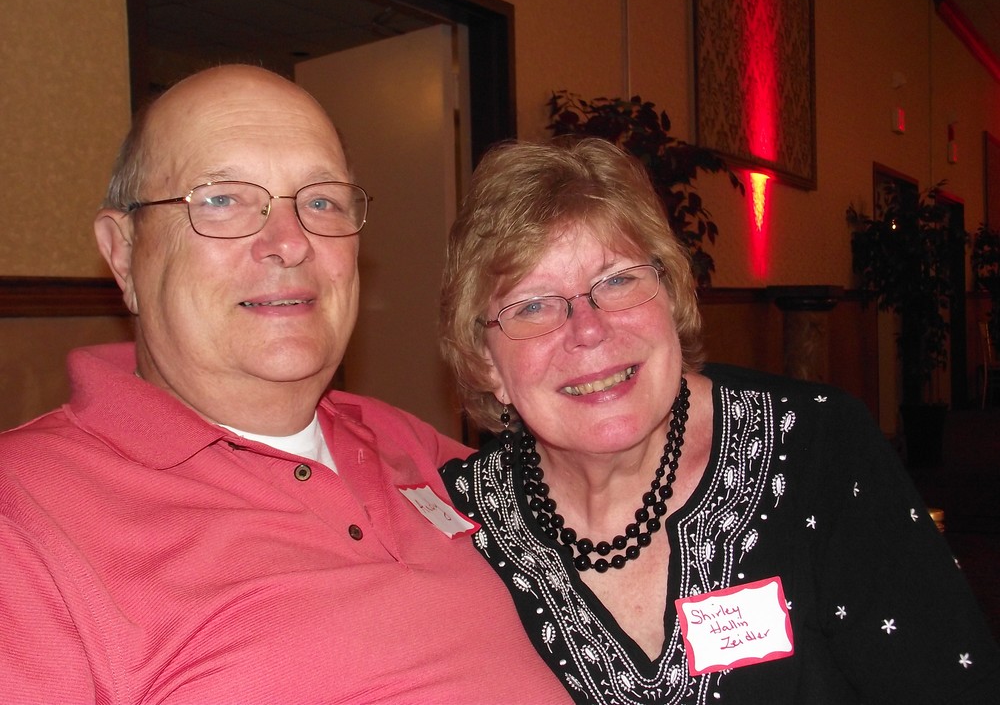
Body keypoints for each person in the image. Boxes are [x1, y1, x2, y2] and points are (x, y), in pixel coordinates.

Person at [0, 65, 572, 704]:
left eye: (320, 201)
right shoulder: (22, 514)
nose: (289, 243)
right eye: (221, 200)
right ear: (124, 253)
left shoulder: (409, 445)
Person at [439, 136, 1000, 704]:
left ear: (671, 293)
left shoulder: (817, 447)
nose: (588, 329)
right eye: (533, 305)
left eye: (618, 280)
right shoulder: (457, 529)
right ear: (487, 363)